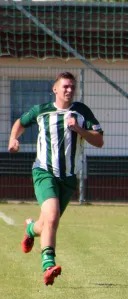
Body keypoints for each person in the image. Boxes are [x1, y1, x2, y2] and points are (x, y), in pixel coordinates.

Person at [8, 71, 104, 286]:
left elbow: (99, 141)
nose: (69, 90)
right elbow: (20, 122)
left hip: (69, 177)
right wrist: (14, 139)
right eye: (65, 86)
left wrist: (79, 129)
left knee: (47, 222)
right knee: (52, 217)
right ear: (55, 89)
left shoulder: (81, 112)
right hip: (44, 172)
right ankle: (48, 265)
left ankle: (31, 229)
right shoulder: (42, 111)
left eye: (72, 87)